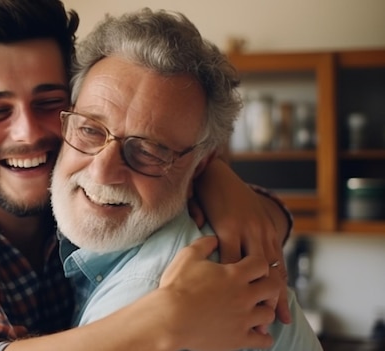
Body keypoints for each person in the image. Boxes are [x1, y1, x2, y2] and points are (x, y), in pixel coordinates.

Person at [0, 0, 294, 350]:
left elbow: (232, 205)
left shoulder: (94, 189)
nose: (29, 132)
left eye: (48, 103)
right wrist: (169, 318)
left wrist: (223, 182)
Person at [50, 8, 322, 350]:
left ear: (199, 167)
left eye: (148, 151)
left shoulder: (154, 289)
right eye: (90, 130)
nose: (102, 170)